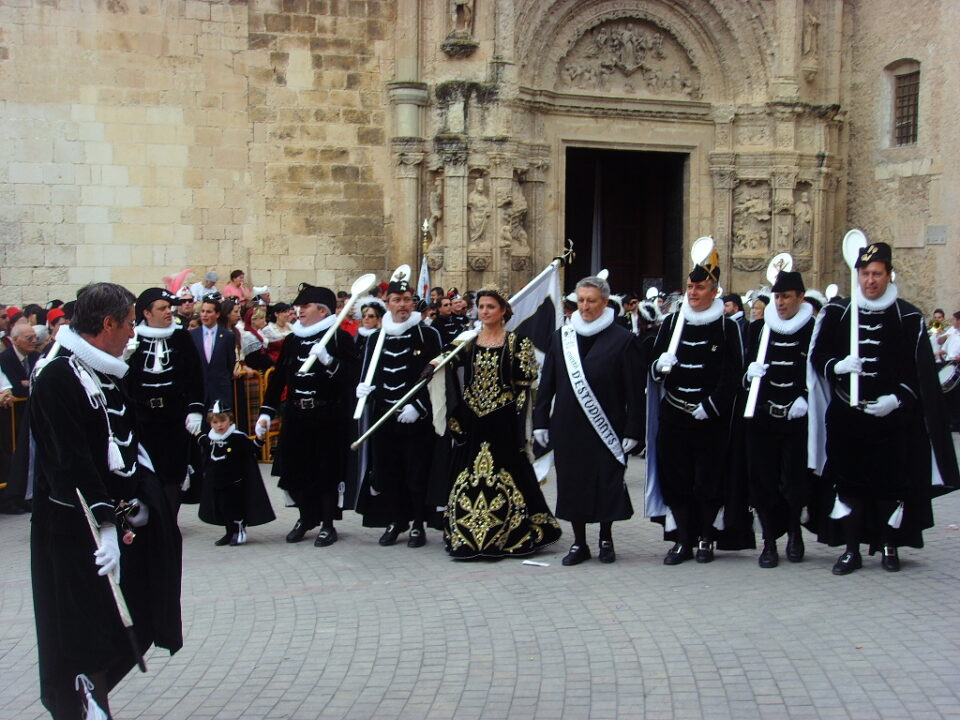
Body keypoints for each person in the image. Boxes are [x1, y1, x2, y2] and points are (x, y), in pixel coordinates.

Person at [30, 282, 182, 720]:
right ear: (108, 323)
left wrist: (137, 501)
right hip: (75, 529)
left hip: (117, 519)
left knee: (140, 612)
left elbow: (124, 443)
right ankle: (84, 703)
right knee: (83, 629)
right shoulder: (58, 375)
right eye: (130, 324)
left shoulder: (106, 370)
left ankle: (93, 695)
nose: (134, 334)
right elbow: (70, 461)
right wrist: (108, 525)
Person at [810, 241, 959, 574]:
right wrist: (837, 366)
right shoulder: (839, 313)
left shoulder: (907, 316)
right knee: (848, 485)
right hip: (848, 415)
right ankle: (850, 549)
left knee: (889, 484)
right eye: (865, 274)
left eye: (877, 274)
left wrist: (897, 398)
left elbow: (918, 372)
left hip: (891, 419)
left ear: (889, 275)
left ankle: (889, 545)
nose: (870, 281)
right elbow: (818, 357)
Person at [438, 288, 562, 558]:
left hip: (503, 420)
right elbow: (445, 363)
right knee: (468, 474)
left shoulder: (517, 342)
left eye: (490, 307)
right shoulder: (468, 340)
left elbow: (524, 388)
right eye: (481, 307)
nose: (484, 311)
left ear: (503, 310)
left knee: (510, 473)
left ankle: (510, 533)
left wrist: (519, 424)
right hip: (473, 419)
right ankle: (467, 534)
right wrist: (433, 365)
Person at [533, 275, 642, 565]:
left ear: (605, 302)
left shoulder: (624, 339)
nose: (585, 306)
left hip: (608, 424)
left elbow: (634, 390)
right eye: (580, 300)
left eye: (591, 301)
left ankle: (606, 539)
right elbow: (547, 384)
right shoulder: (562, 337)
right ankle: (579, 544)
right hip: (569, 427)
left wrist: (634, 428)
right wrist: (540, 421)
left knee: (607, 483)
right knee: (572, 484)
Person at [647, 247, 745, 565]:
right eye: (690, 287)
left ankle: (706, 536)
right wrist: (658, 366)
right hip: (675, 413)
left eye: (700, 287)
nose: (693, 292)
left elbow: (733, 373)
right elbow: (653, 366)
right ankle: (682, 540)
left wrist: (713, 405)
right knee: (675, 478)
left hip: (709, 418)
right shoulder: (672, 322)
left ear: (714, 291)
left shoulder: (727, 327)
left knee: (708, 480)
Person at [256, 284, 359, 547]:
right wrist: (266, 412)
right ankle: (305, 517)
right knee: (297, 469)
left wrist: (329, 362)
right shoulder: (293, 340)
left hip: (327, 415)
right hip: (297, 414)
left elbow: (351, 377)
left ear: (323, 311)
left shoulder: (339, 339)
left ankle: (327, 523)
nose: (298, 311)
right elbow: (279, 378)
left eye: (305, 306)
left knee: (325, 471)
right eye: (298, 307)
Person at [356, 275, 443, 548]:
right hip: (384, 417)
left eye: (407, 300)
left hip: (415, 418)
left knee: (416, 473)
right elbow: (368, 371)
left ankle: (418, 523)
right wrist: (363, 390)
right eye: (397, 300)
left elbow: (437, 377)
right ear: (388, 303)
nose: (402, 305)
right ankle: (395, 520)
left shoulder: (427, 334)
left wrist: (418, 406)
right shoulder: (375, 337)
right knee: (388, 471)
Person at [742, 271, 816, 568]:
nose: (780, 302)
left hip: (796, 417)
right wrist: (748, 375)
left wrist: (806, 396)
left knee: (794, 482)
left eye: (786, 296)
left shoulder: (813, 328)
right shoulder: (760, 328)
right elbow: (745, 362)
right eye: (777, 297)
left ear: (800, 297)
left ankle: (795, 532)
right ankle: (769, 540)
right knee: (763, 480)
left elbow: (818, 368)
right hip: (764, 416)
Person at [127, 288, 205, 517]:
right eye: (162, 308)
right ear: (147, 313)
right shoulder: (134, 338)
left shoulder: (180, 336)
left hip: (173, 416)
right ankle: (150, 514)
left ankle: (169, 518)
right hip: (143, 417)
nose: (168, 312)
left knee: (174, 470)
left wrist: (196, 409)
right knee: (146, 468)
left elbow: (194, 375)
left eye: (169, 308)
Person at [199, 401, 275, 546]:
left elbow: (252, 447)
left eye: (222, 421)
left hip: (234, 483)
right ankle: (229, 532)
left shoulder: (237, 437)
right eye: (215, 422)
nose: (219, 425)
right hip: (217, 482)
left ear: (230, 420)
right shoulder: (211, 438)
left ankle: (239, 531)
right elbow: (204, 443)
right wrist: (196, 433)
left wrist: (260, 436)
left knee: (234, 508)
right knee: (222, 508)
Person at [189, 296, 236, 410]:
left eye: (209, 312)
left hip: (221, 390)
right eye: (203, 311)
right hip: (199, 391)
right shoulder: (192, 335)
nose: (204, 315)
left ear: (217, 314)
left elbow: (230, 363)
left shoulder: (227, 336)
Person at [0, 321, 39, 398]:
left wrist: (28, 384)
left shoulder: (36, 356)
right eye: (29, 338)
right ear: (15, 340)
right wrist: (32, 384)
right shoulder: (4, 359)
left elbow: (42, 385)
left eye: (35, 337)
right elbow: (16, 390)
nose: (34, 341)